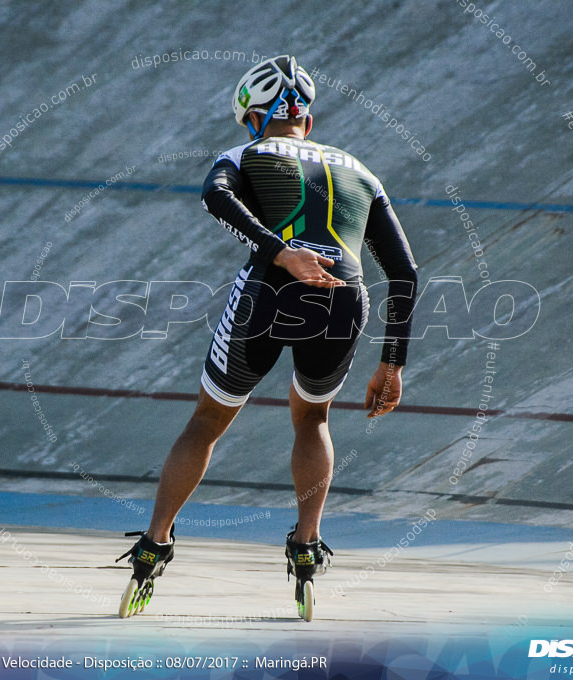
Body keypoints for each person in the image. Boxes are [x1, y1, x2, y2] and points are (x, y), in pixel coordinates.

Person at [118, 55, 419, 620]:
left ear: (254, 117)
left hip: (271, 288)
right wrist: (393, 363)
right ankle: (307, 543)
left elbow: (216, 197)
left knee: (208, 420)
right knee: (314, 419)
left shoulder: (245, 154)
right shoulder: (361, 169)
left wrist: (280, 252)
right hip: (344, 297)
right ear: (307, 118)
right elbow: (404, 273)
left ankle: (156, 541)